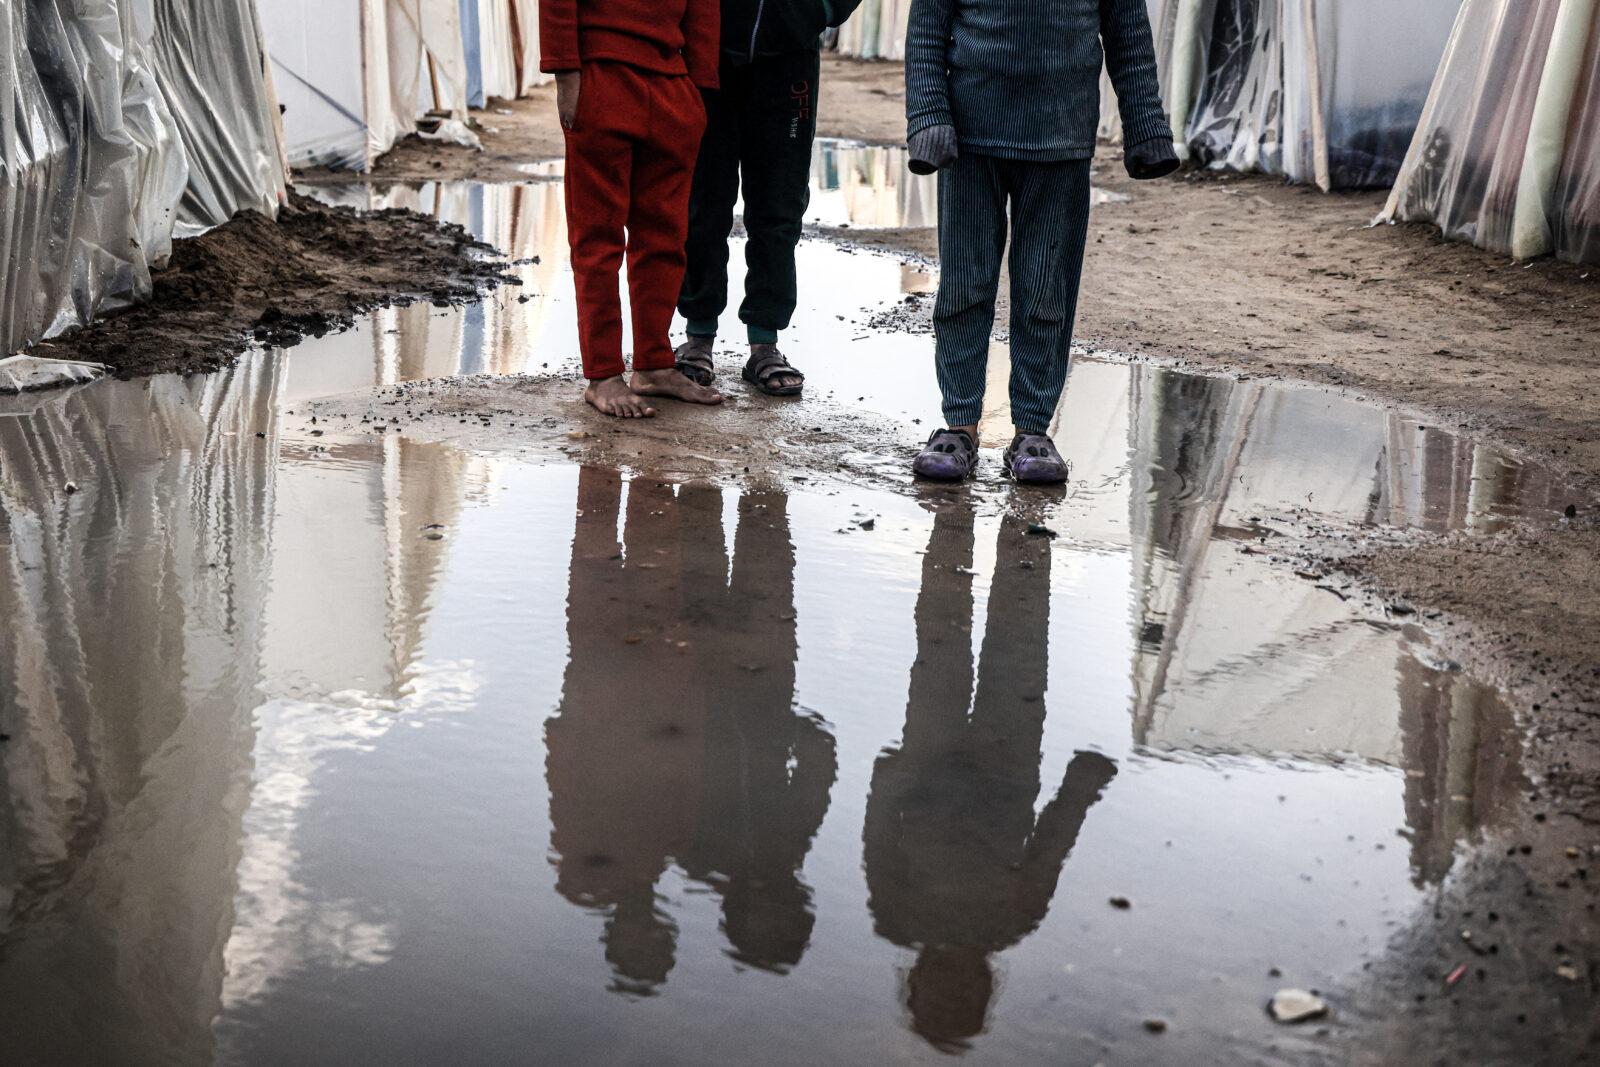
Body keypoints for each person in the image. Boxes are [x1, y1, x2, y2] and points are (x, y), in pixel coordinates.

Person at [904, 0, 1180, 483]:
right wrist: (928, 115)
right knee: (966, 285)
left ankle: (1032, 431)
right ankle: (960, 429)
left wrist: (1145, 126)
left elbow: (1128, 35)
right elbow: (927, 30)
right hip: (972, 131)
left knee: (1046, 290)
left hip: (1061, 132)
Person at [539, 0, 727, 418]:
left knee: (665, 236)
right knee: (597, 237)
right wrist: (566, 73)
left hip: (672, 79)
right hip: (601, 73)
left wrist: (698, 89)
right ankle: (603, 374)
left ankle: (654, 365)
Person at [671, 0, 862, 398]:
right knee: (702, 202)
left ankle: (764, 343)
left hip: (789, 62)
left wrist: (818, 10)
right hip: (707, 54)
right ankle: (698, 334)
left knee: (779, 206)